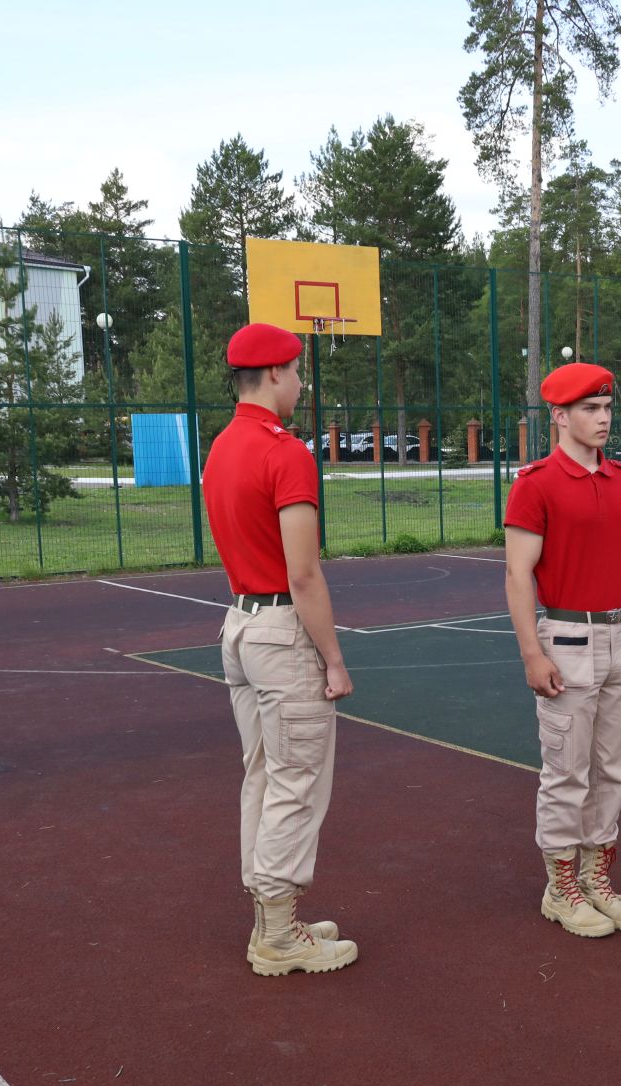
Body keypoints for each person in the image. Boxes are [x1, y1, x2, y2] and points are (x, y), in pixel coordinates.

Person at [203, 322, 357, 976]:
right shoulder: (285, 452)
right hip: (280, 628)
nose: (301, 383)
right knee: (296, 781)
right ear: (272, 375)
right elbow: (304, 574)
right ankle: (277, 937)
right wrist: (334, 657)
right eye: (296, 372)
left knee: (265, 774)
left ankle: (276, 915)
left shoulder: (222, 447)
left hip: (239, 624)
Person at [505, 362, 621, 937]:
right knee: (566, 771)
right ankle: (560, 886)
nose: (602, 419)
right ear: (559, 416)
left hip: (620, 636)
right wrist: (531, 653)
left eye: (606, 408)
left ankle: (597, 875)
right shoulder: (536, 483)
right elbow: (518, 575)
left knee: (612, 769)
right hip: (566, 639)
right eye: (590, 410)